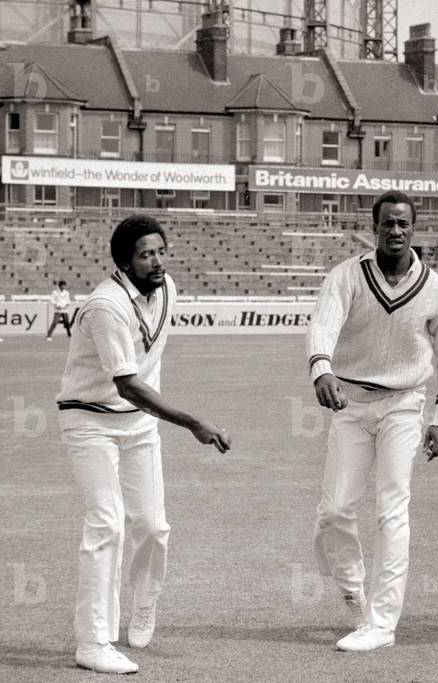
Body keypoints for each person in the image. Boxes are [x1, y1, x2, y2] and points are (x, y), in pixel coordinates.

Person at [56, 215, 232, 675]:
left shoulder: (167, 287)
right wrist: (192, 422)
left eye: (160, 251)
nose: (157, 261)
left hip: (138, 425)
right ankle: (93, 642)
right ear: (124, 262)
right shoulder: (105, 306)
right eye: (145, 254)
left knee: (153, 527)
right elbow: (128, 384)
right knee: (107, 523)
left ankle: (143, 603)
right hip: (89, 420)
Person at [307, 190, 438, 653]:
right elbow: (323, 324)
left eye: (403, 223)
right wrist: (322, 369)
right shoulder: (346, 276)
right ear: (374, 227)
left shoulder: (434, 287)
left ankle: (383, 623)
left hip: (404, 403)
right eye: (387, 223)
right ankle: (354, 594)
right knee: (335, 510)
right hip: (350, 403)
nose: (395, 230)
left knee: (392, 509)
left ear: (414, 229)